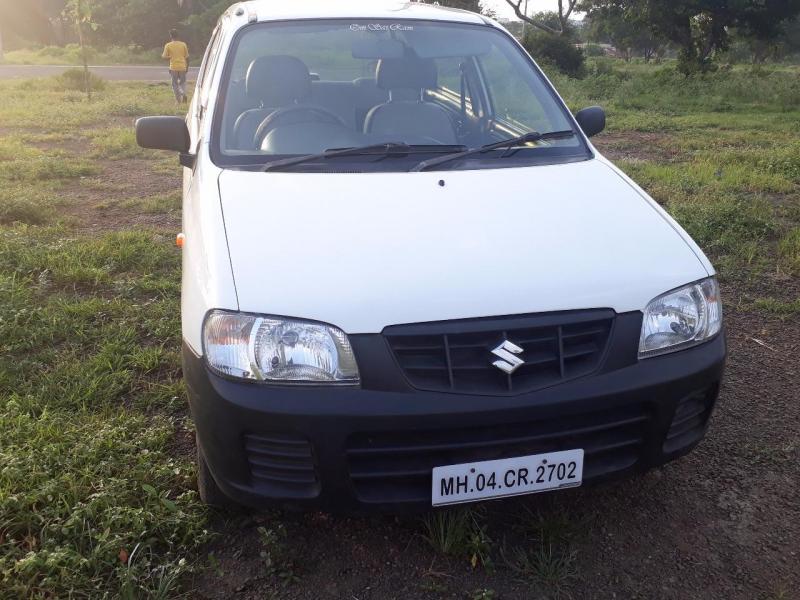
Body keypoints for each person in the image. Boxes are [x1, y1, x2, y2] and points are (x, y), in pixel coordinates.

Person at [163, 29, 189, 103]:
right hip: (182, 67)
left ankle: (178, 101)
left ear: (170, 36)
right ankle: (183, 94)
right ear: (178, 35)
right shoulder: (183, 44)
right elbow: (187, 57)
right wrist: (187, 67)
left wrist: (170, 57)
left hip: (173, 67)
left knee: (174, 84)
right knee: (182, 83)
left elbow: (164, 57)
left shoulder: (168, 45)